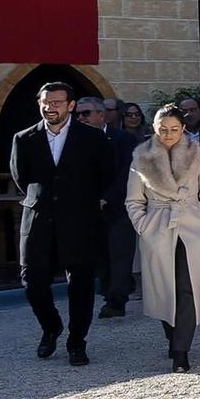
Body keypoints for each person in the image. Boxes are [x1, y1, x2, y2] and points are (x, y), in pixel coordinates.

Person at [10, 81, 112, 366]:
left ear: (70, 105)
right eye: (45, 102)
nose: (49, 107)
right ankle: (51, 326)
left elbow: (106, 175)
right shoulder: (24, 138)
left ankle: (77, 341)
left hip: (79, 220)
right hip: (39, 219)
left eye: (56, 102)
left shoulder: (92, 138)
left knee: (80, 284)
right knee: (32, 281)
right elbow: (21, 178)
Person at [124, 105, 200, 373]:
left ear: (183, 128)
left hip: (192, 227)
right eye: (162, 129)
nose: (168, 134)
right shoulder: (140, 157)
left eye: (174, 129)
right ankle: (173, 334)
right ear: (153, 128)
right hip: (157, 228)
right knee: (164, 289)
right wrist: (143, 226)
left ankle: (181, 351)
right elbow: (133, 200)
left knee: (187, 288)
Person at [79, 96, 140, 319]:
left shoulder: (123, 139)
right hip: (88, 210)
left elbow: (128, 172)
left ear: (101, 115)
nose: (80, 118)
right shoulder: (74, 141)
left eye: (85, 113)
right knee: (101, 256)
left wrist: (107, 198)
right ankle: (110, 293)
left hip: (119, 208)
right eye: (78, 114)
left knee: (120, 254)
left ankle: (117, 300)